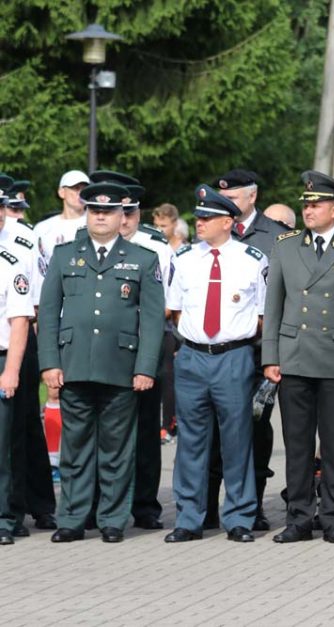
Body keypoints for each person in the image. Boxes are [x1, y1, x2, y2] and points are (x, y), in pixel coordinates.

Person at [38, 182, 165, 543]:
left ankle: (112, 518)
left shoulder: (143, 258)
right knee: (75, 450)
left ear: (122, 216)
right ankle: (72, 519)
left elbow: (153, 320)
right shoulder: (64, 256)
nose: (100, 217)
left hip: (121, 368)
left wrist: (145, 367)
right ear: (87, 213)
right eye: (95, 211)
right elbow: (48, 314)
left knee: (116, 449)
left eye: (108, 212)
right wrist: (50, 363)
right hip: (74, 364)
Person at [262, 172, 334, 544]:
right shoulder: (286, 246)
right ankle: (298, 517)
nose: (308, 211)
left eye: (315, 205)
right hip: (294, 355)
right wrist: (270, 356)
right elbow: (274, 305)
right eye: (305, 205)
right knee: (296, 444)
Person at [164, 185, 267, 544]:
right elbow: (174, 311)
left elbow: (263, 316)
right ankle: (189, 518)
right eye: (198, 216)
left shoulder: (253, 259)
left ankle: (239, 517)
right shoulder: (185, 258)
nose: (200, 222)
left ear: (228, 221)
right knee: (191, 441)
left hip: (234, 357)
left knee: (237, 439)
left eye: (207, 217)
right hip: (192, 355)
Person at [206, 169, 289, 532]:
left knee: (254, 429)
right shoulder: (211, 231)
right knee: (209, 429)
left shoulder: (277, 237)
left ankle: (251, 506)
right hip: (214, 350)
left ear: (252, 197)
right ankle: (207, 506)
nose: (227, 204)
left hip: (257, 353)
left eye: (235, 198)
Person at [90, 169, 173, 531]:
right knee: (96, 431)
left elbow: (166, 306)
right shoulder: (87, 242)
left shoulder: (155, 246)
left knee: (142, 430)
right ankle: (95, 504)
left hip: (142, 348)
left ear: (136, 213)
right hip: (100, 350)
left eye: (128, 213)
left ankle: (144, 505)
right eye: (116, 212)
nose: (121, 220)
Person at [0, 177, 57, 535]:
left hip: (22, 334)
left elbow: (39, 295)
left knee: (21, 428)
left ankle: (35, 506)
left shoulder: (24, 238)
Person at [34, 169, 91, 476]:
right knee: (53, 387)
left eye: (84, 188)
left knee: (81, 389)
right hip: (53, 315)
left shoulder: (94, 222)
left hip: (84, 316)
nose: (78, 193)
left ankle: (77, 457)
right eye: (73, 188)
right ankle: (54, 458)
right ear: (61, 192)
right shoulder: (43, 229)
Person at [0, 187, 35, 545]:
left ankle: (3, 519)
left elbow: (20, 320)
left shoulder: (12, 262)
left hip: (1, 357)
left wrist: (11, 370)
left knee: (1, 447)